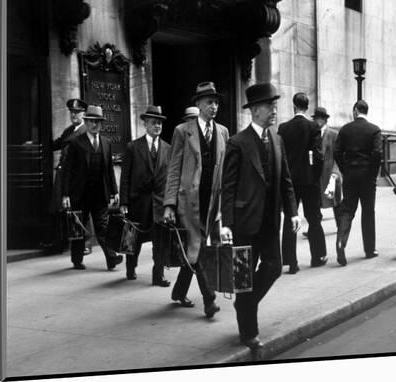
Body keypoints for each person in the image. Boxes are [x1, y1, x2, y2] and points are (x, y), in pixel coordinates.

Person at [221, 82, 300, 350]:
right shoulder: (237, 143)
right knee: (243, 278)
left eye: (275, 105)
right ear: (255, 110)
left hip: (270, 222)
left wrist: (293, 212)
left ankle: (245, 303)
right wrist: (227, 223)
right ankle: (248, 332)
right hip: (244, 223)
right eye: (270, 106)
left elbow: (286, 179)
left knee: (274, 268)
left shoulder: (277, 139)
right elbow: (228, 187)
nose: (275, 110)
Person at [163, 82, 229, 318]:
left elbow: (225, 171)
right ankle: (209, 300)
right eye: (209, 102)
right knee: (199, 248)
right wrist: (169, 204)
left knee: (196, 247)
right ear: (198, 104)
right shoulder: (183, 131)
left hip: (212, 203)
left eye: (216, 102)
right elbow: (173, 169)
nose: (214, 106)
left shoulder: (222, 132)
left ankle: (179, 291)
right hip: (188, 202)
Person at [61, 105, 123, 270]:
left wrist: (114, 191)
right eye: (91, 122)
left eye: (98, 122)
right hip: (79, 193)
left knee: (103, 227)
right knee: (79, 228)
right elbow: (67, 170)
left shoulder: (106, 143)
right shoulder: (76, 143)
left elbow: (109, 169)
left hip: (99, 193)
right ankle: (77, 259)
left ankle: (111, 258)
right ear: (86, 122)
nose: (95, 125)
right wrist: (65, 194)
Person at [119, 105, 171, 286]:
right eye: (153, 123)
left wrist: (170, 203)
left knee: (160, 241)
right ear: (145, 124)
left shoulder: (168, 148)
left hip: (159, 203)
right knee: (134, 238)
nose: (157, 126)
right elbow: (125, 176)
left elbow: (170, 178)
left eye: (160, 123)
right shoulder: (133, 147)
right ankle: (130, 266)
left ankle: (158, 275)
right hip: (137, 202)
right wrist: (124, 202)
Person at [278, 93, 326, 272]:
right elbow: (319, 156)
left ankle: (291, 261)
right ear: (307, 106)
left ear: (293, 106)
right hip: (309, 180)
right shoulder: (313, 127)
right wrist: (315, 176)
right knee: (313, 218)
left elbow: (279, 155)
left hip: (290, 180)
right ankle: (317, 256)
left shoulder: (283, 128)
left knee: (291, 218)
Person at [333, 100, 382, 266]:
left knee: (347, 210)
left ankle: (341, 242)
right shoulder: (374, 130)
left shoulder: (345, 129)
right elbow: (377, 153)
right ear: (366, 112)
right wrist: (372, 173)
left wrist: (345, 169)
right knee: (368, 211)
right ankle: (369, 250)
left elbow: (336, 151)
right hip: (367, 176)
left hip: (351, 175)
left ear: (355, 111)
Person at [48, 98, 87, 253]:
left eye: (77, 112)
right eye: (72, 112)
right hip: (63, 173)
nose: (74, 115)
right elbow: (57, 144)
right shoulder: (69, 130)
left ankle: (85, 245)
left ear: (84, 114)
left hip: (75, 175)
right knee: (61, 208)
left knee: (79, 209)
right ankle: (63, 242)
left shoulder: (85, 131)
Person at [312, 107, 342, 230]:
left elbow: (339, 155)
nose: (317, 121)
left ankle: (340, 227)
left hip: (331, 174)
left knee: (336, 202)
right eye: (316, 118)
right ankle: (314, 228)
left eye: (320, 118)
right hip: (317, 175)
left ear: (325, 119)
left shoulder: (334, 134)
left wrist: (335, 173)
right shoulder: (313, 133)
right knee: (315, 203)